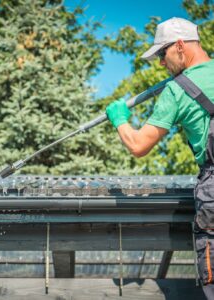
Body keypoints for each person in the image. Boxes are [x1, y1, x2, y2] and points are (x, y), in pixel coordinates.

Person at [106, 17, 214, 300]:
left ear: (180, 46)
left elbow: (139, 145)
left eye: (162, 54)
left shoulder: (178, 90)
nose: (161, 64)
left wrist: (119, 120)